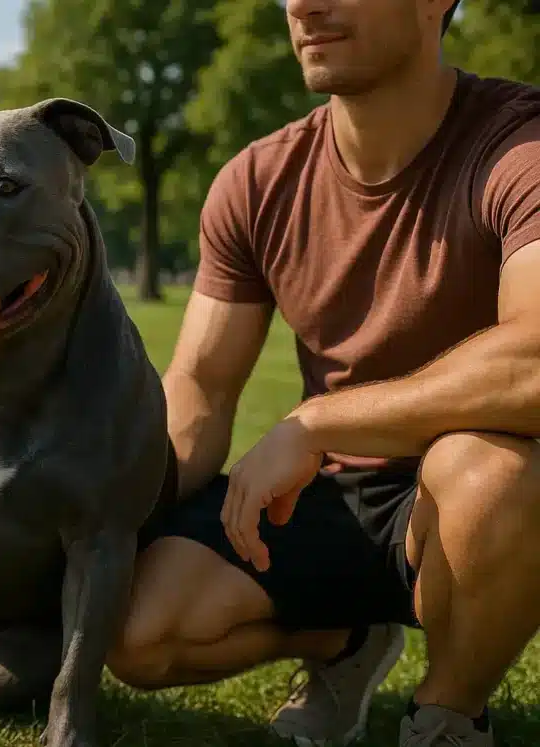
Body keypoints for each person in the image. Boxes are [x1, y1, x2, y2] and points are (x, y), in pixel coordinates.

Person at [105, 2, 540, 746]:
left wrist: (317, 422)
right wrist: (105, 515)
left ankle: (448, 712)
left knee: (489, 476)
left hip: (468, 488)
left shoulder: (519, 144)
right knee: (139, 634)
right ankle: (345, 640)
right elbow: (200, 391)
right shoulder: (257, 178)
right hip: (326, 495)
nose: (304, 4)